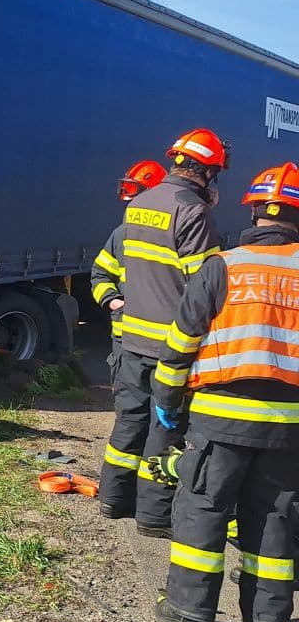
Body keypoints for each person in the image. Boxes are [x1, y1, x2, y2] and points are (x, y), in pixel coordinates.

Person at [150, 162, 299, 622]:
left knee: (204, 510)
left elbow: (180, 344)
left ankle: (191, 612)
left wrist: (168, 405)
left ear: (254, 210)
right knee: (275, 517)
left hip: (218, 421)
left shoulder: (223, 265)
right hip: (288, 428)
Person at [97, 129, 226, 536]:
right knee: (165, 428)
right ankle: (153, 518)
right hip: (170, 345)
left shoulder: (140, 203)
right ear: (207, 171)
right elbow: (202, 289)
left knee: (129, 421)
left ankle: (112, 499)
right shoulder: (192, 213)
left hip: (131, 339)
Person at [92, 160, 169, 370]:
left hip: (163, 344)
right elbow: (100, 274)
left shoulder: (173, 235)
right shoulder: (121, 234)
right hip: (125, 340)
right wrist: (113, 302)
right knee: (128, 401)